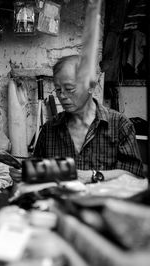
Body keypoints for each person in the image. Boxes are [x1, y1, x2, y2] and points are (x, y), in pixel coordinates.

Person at [33, 55, 145, 184]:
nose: (62, 96)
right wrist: (24, 175)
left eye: (69, 89)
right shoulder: (49, 129)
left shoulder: (119, 125)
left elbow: (135, 176)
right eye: (58, 90)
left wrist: (94, 175)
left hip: (105, 202)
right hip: (62, 202)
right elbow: (37, 174)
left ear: (91, 86)